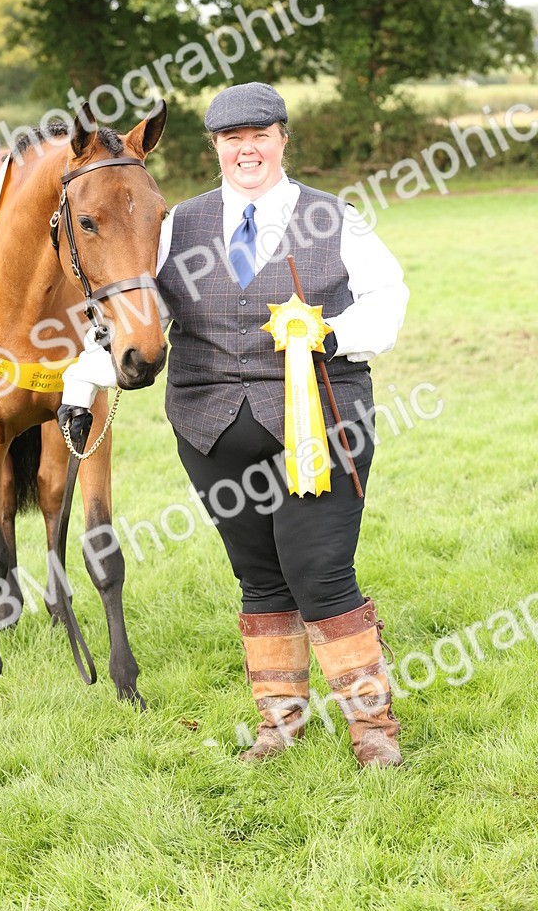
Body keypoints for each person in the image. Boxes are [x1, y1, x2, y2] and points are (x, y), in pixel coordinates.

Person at [152, 82, 409, 768]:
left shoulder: (335, 218)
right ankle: (281, 724)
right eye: (232, 139)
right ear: (215, 147)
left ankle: (373, 729)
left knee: (319, 572)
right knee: (259, 577)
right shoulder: (179, 224)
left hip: (322, 423)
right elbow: (134, 310)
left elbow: (388, 299)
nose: (247, 150)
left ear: (282, 139)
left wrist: (322, 331)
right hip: (208, 428)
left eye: (260, 135)